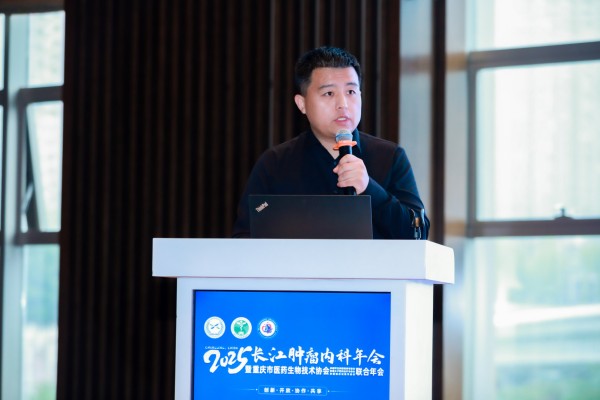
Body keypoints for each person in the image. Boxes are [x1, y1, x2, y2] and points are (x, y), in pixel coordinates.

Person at [232, 46, 429, 239]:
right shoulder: (275, 164)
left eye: (351, 92)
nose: (343, 104)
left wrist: (370, 189)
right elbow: (245, 236)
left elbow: (417, 233)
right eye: (329, 93)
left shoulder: (390, 156)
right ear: (302, 104)